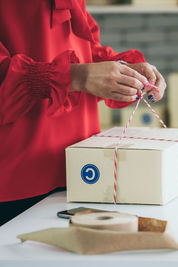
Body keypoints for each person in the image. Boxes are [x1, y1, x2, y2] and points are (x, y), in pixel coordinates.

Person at [0, 0, 167, 226]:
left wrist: (121, 71)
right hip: (17, 176)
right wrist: (76, 76)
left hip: (81, 166)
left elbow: (83, 49)